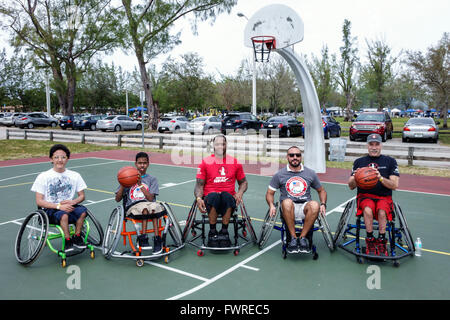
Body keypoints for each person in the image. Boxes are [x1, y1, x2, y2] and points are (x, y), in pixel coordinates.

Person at [266, 146, 327, 254]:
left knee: (315, 204)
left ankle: (303, 238)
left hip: (305, 207)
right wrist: (271, 205)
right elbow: (270, 193)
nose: (295, 157)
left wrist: (323, 204)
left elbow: (321, 190)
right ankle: (293, 239)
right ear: (287, 157)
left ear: (301, 157)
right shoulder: (280, 174)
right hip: (288, 208)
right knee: (287, 202)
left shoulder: (310, 173)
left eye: (298, 155)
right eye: (292, 155)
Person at [348, 133, 399, 256]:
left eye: (377, 144)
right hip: (365, 196)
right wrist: (356, 177)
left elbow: (395, 185)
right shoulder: (359, 162)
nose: (374, 147)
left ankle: (381, 239)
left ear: (381, 145)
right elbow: (351, 186)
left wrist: (380, 178)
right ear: (367, 146)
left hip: (384, 197)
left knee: (382, 211)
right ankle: (370, 238)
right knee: (367, 209)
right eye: (371, 144)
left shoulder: (390, 161)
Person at [31, 144, 88, 252]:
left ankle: (77, 236)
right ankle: (67, 240)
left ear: (67, 159)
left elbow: (82, 196)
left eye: (63, 157)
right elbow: (39, 201)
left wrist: (73, 201)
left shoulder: (75, 175)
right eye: (56, 157)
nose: (60, 160)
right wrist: (59, 206)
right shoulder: (43, 176)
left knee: (83, 212)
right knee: (64, 215)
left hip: (69, 206)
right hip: (50, 210)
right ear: (51, 159)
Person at [194, 135, 248, 248]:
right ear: (213, 145)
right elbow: (199, 185)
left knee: (227, 197)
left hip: (228, 197)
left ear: (226, 145)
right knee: (214, 197)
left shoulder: (235, 162)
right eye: (217, 144)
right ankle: (212, 232)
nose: (220, 146)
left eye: (223, 144)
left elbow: (243, 182)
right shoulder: (205, 162)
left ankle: (224, 232)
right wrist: (199, 198)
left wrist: (240, 193)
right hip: (210, 197)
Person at [115, 152, 162, 253]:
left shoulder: (152, 179)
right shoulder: (128, 177)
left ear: (148, 164)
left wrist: (140, 184)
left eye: (144, 163)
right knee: (144, 209)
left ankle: (157, 239)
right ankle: (142, 238)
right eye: (140, 163)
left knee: (153, 207)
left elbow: (150, 198)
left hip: (149, 203)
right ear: (135, 164)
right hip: (133, 206)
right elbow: (117, 199)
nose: (142, 165)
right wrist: (123, 185)